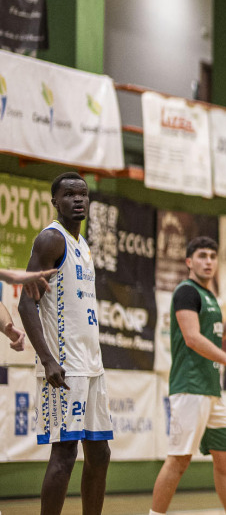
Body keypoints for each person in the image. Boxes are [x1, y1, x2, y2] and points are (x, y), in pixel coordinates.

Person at [17, 172, 112, 515]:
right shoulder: (51, 240)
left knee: (100, 453)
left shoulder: (82, 246)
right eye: (69, 194)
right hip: (63, 365)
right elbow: (26, 304)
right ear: (54, 201)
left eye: (83, 195)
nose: (78, 200)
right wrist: (47, 359)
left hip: (91, 365)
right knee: (65, 455)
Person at [149, 237, 226, 515]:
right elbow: (193, 338)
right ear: (189, 262)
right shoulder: (186, 291)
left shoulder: (209, 297)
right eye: (202, 256)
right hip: (190, 388)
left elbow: (212, 334)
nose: (208, 261)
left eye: (212, 256)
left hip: (211, 391)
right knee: (178, 461)